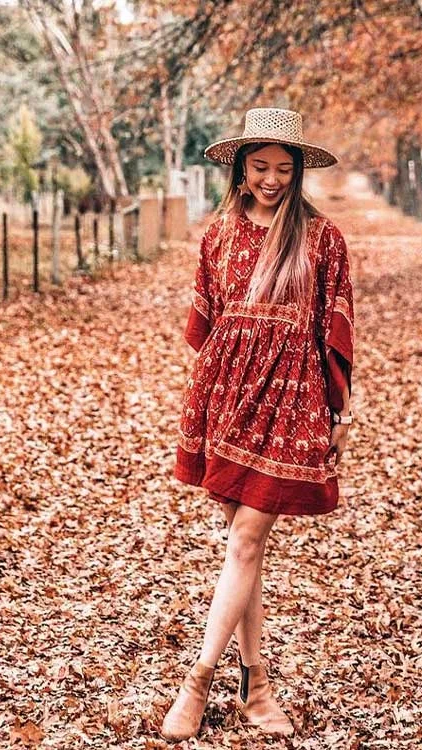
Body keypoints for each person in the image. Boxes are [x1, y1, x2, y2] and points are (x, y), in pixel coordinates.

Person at [162, 107, 355, 742]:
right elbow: (207, 327)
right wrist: (208, 398)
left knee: (245, 542)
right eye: (260, 165)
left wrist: (340, 410)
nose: (271, 178)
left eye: (283, 167)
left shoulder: (323, 239)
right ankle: (257, 685)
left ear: (298, 170)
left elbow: (335, 328)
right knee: (245, 551)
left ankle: (196, 681)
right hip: (229, 397)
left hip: (293, 397)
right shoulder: (216, 237)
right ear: (241, 167)